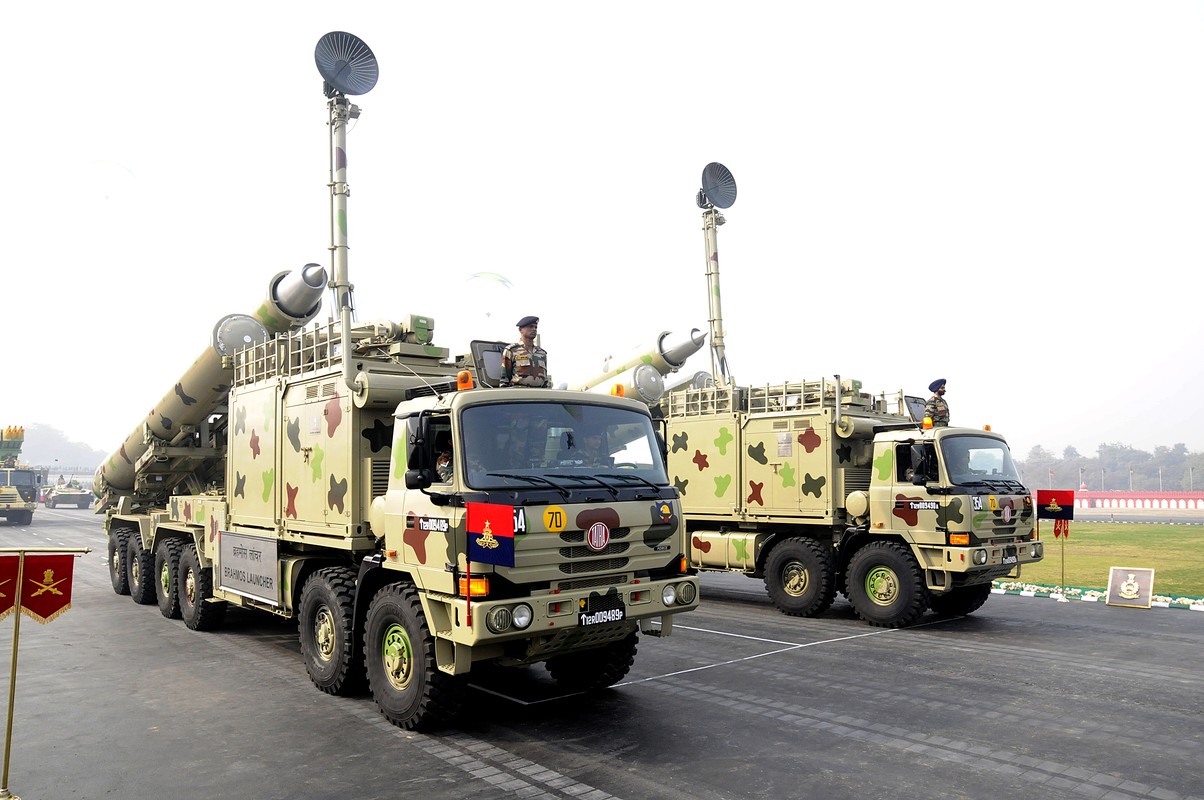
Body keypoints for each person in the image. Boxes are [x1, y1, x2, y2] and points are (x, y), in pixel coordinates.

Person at [500, 315, 550, 387]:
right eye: (530, 326)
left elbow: (544, 381)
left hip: (538, 395)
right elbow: (504, 380)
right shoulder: (511, 350)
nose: (534, 329)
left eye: (535, 327)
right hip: (519, 394)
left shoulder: (542, 353)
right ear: (520, 330)